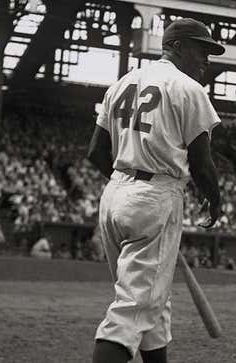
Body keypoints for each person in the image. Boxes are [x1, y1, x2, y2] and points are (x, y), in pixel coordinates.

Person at [87, 18, 224, 363]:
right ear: (176, 46)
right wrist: (214, 200)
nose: (206, 59)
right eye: (201, 49)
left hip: (114, 194)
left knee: (153, 307)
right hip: (155, 195)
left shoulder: (122, 82)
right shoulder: (188, 88)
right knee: (134, 311)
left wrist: (129, 185)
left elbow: (95, 153)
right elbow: (202, 163)